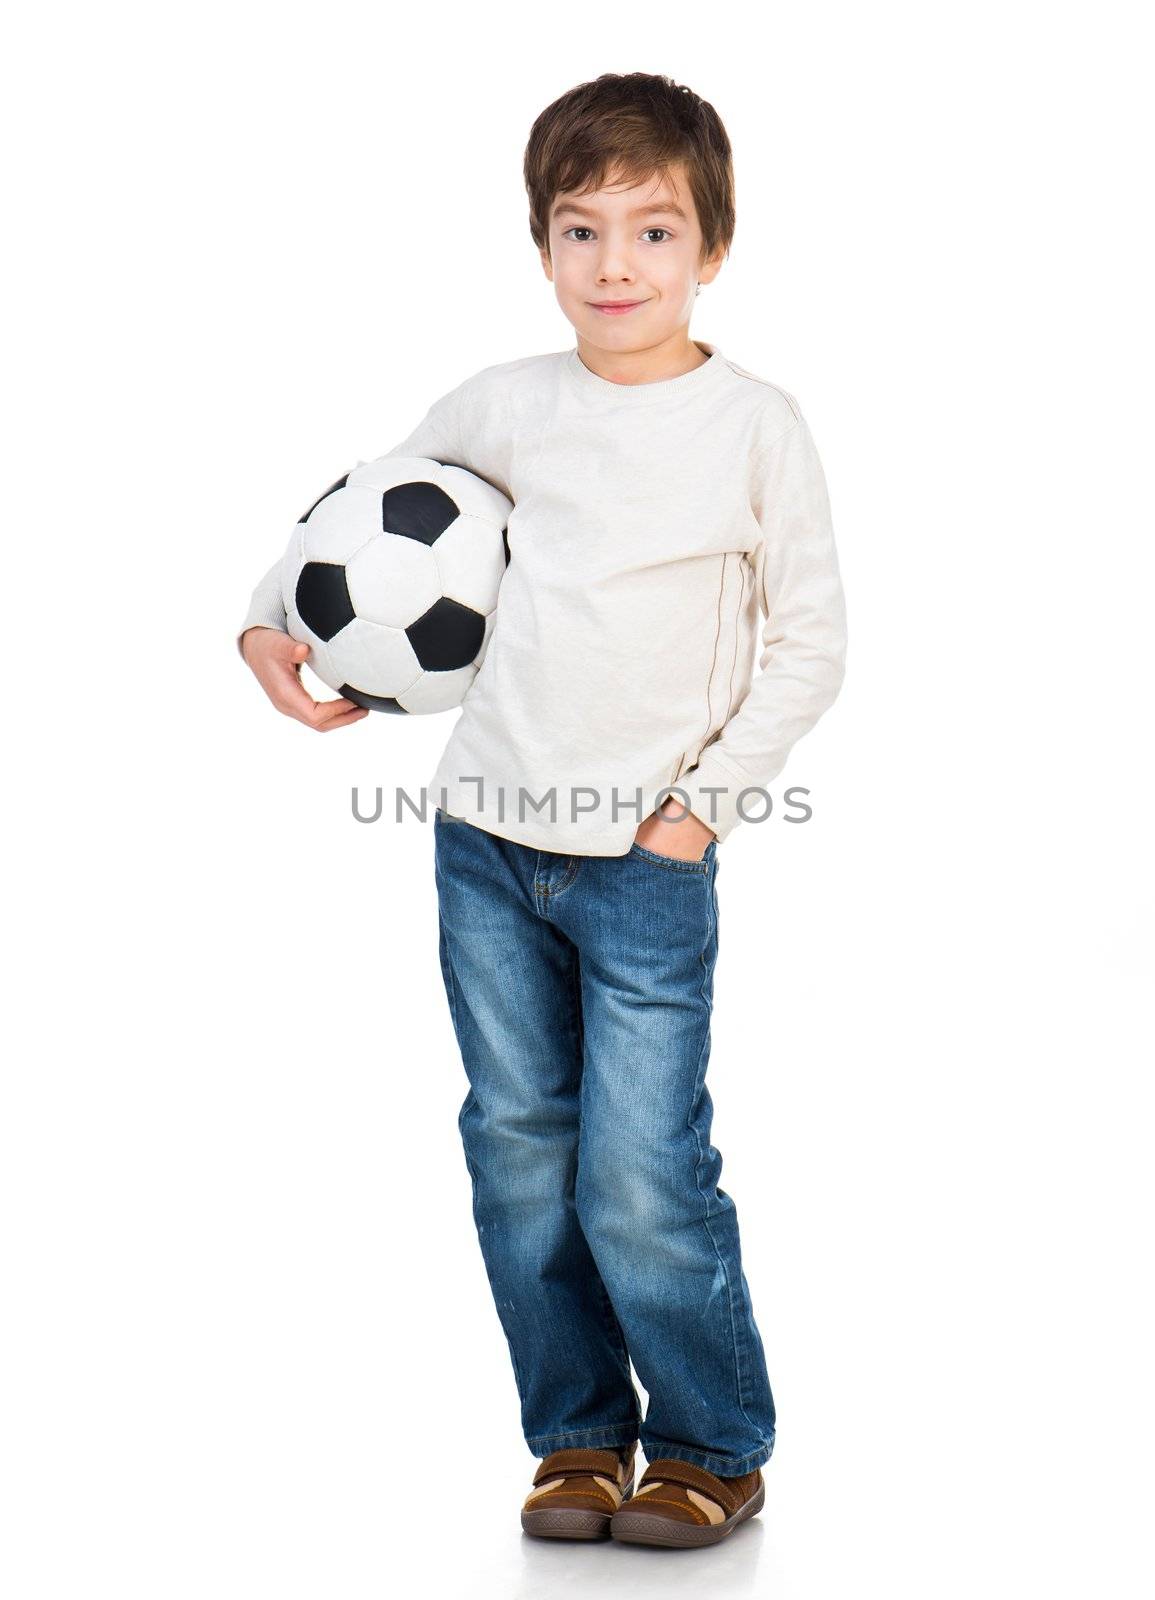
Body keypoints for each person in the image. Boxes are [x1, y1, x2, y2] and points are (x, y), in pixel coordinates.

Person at [238, 71, 847, 1549]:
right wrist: (268, 623)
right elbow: (359, 523)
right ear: (542, 245)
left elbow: (809, 642)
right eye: (582, 232)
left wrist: (699, 812)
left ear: (712, 247)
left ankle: (711, 1441)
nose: (616, 267)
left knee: (639, 1167)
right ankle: (577, 1436)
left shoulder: (754, 427)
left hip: (645, 857)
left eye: (653, 232)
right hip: (484, 848)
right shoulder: (505, 404)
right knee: (518, 1142)